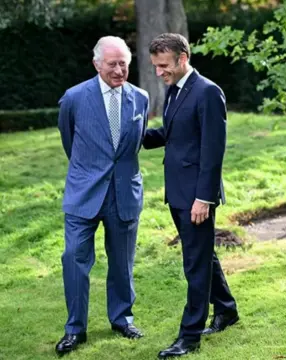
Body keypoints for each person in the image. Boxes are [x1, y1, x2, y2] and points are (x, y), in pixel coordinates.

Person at [143, 33, 239, 358]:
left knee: (194, 264)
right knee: (202, 255)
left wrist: (205, 198)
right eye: (156, 66)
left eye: (164, 65)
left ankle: (190, 336)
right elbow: (173, 135)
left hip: (197, 197)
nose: (159, 72)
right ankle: (226, 309)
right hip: (177, 192)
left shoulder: (208, 92)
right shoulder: (174, 90)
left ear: (183, 58)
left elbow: (213, 150)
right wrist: (136, 137)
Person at [55, 36, 148, 356]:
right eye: (113, 64)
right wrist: (88, 171)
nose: (119, 69)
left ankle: (122, 318)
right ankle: (74, 329)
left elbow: (132, 145)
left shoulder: (141, 98)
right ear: (97, 65)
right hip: (84, 193)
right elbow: (69, 140)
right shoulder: (74, 98)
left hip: (124, 193)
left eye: (124, 63)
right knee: (73, 259)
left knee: (122, 262)